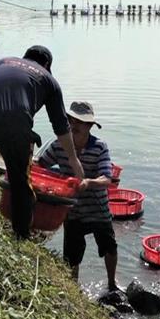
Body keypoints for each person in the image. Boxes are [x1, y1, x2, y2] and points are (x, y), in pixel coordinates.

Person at [0, 45, 84, 240]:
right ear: (46, 65)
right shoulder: (49, 80)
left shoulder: (1, 63)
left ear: (25, 57)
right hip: (16, 130)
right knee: (21, 184)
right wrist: (73, 159)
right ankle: (20, 235)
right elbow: (61, 127)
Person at [36, 101, 119, 291]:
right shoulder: (59, 145)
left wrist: (89, 183)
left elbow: (107, 178)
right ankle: (73, 289)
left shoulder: (99, 147)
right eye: (71, 121)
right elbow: (40, 164)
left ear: (89, 126)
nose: (74, 126)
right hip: (72, 211)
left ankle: (112, 284)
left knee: (109, 247)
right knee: (72, 256)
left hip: (98, 208)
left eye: (80, 122)